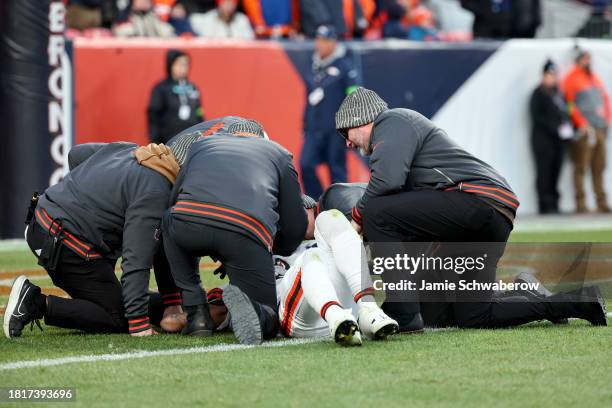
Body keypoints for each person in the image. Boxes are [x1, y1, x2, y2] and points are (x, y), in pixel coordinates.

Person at [334, 87, 521, 330]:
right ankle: (568, 301)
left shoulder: (391, 121)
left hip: (478, 202)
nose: (347, 143)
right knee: (474, 316)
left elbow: (386, 182)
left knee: (376, 211)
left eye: (345, 132)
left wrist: (357, 217)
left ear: (360, 119)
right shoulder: (400, 132)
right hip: (490, 214)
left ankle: (402, 310)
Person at [311, 182, 608, 329]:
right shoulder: (376, 207)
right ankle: (521, 286)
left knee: (467, 316)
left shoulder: (369, 223)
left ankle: (572, 302)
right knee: (451, 312)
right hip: (450, 249)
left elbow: (406, 275)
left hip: (446, 252)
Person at [4, 143, 183, 339]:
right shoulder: (156, 191)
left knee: (133, 301)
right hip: (63, 240)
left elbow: (77, 155)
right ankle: (36, 303)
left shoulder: (137, 151)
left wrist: (80, 198)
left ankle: (176, 306)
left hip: (46, 218)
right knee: (120, 316)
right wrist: (138, 323)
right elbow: (136, 261)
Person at [162, 128, 307, 343]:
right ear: (262, 138)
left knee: (169, 221)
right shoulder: (279, 153)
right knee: (268, 317)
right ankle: (258, 314)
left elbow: (174, 200)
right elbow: (296, 226)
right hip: (245, 231)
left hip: (187, 224)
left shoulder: (201, 145)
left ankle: (196, 314)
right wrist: (273, 252)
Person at [300, 25, 360, 198]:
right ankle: (319, 201)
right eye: (318, 40)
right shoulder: (313, 64)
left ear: (334, 43)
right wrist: (305, 124)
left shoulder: (345, 66)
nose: (320, 44)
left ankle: (341, 206)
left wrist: (350, 127)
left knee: (337, 171)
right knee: (305, 164)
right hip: (314, 127)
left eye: (325, 40)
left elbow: (353, 96)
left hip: (336, 129)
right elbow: (308, 98)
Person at [563, 48, 611, 213]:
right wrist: (582, 123)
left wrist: (607, 119)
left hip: (600, 128)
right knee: (581, 166)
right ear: (578, 60)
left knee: (599, 166)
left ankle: (601, 202)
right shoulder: (571, 79)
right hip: (585, 131)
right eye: (585, 59)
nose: (588, 62)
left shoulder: (594, 78)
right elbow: (570, 105)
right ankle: (581, 204)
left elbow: (605, 99)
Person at [529, 59, 572, 214]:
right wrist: (555, 128)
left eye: (554, 75)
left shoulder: (559, 94)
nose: (552, 78)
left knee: (556, 171)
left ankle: (554, 203)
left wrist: (568, 128)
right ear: (544, 76)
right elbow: (537, 117)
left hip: (558, 141)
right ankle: (544, 204)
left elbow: (566, 113)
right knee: (544, 172)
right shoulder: (538, 93)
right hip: (543, 140)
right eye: (549, 75)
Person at [148, 49, 204, 145]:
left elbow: (199, 111)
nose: (183, 68)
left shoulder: (192, 87)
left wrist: (203, 132)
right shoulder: (161, 88)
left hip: (192, 140)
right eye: (179, 64)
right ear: (170, 65)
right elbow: (153, 116)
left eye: (186, 64)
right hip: (168, 141)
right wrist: (155, 141)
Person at [190, 0, 254, 39]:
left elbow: (249, 39)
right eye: (225, 3)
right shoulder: (210, 18)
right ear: (220, 4)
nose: (228, 7)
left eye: (231, 4)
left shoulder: (241, 19)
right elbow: (205, 39)